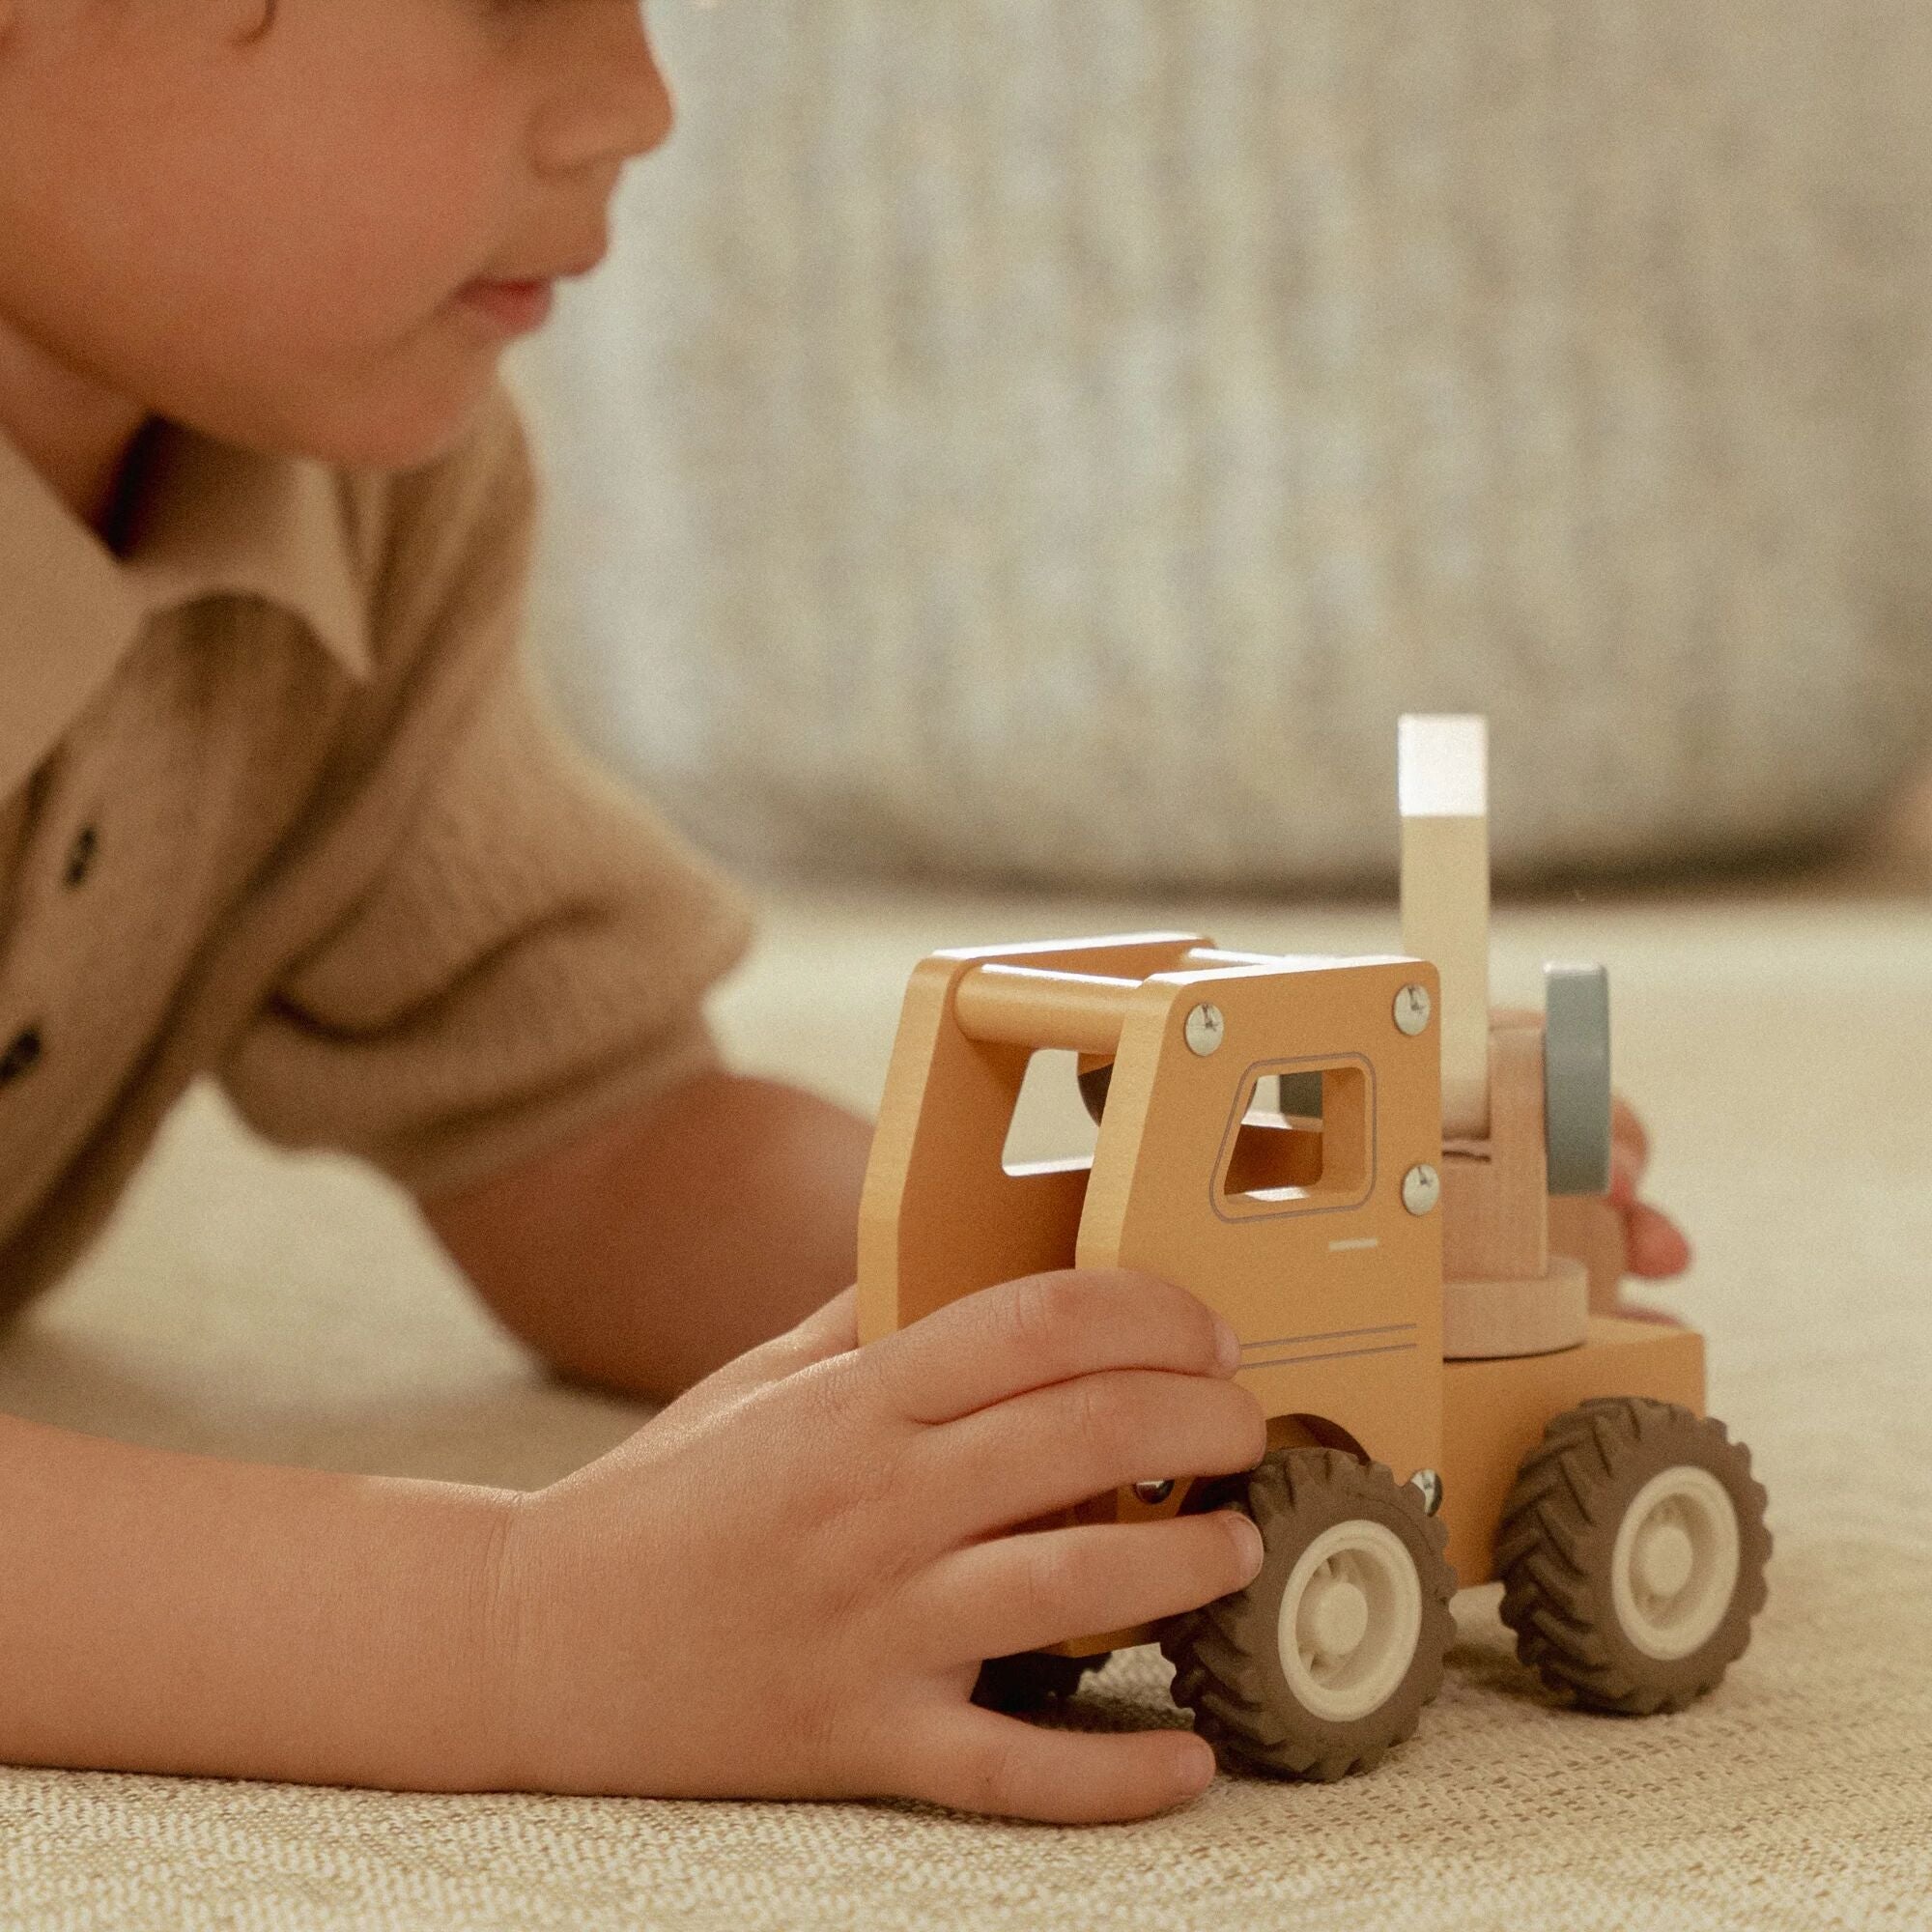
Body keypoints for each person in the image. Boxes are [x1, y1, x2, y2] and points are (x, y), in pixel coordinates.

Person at [0, 0, 1690, 1826]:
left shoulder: (363, 488)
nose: (636, 103)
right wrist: (516, 1624)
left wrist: (1186, 1303)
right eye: (510, 2)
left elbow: (587, 1138)